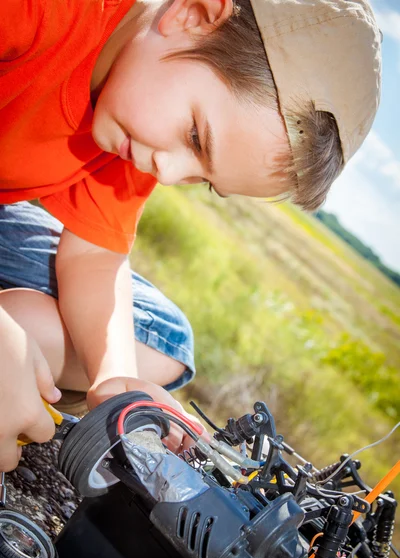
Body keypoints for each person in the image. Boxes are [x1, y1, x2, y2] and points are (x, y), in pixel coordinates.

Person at [0, 0, 381, 473]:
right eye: (197, 137)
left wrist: (113, 379)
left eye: (203, 179)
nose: (168, 170)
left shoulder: (141, 119)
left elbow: (93, 257)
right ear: (192, 16)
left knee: (164, 346)